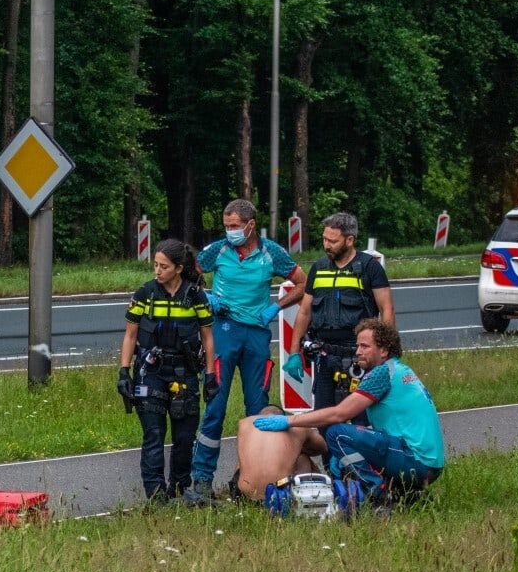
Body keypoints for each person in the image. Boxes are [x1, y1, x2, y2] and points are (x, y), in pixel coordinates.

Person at [185, 199, 307, 505]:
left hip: (257, 336)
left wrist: (276, 307)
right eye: (226, 226)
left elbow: (303, 283)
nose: (230, 232)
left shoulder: (271, 253)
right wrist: (207, 297)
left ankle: (250, 479)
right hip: (224, 332)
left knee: (258, 411)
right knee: (215, 406)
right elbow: (188, 274)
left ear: (251, 224)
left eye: (235, 226)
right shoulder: (219, 250)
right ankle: (201, 479)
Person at [253, 318, 444, 507]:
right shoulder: (399, 370)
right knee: (351, 448)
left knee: (336, 433)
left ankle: (378, 495)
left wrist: (290, 421)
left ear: (384, 351)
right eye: (357, 346)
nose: (358, 351)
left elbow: (340, 414)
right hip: (427, 463)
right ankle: (407, 495)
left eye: (365, 346)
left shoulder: (381, 373)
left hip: (415, 461)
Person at [117, 239, 216, 501]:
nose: (157, 271)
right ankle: (156, 493)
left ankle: (181, 487)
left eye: (163, 266)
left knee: (184, 437)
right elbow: (130, 335)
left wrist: (210, 376)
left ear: (179, 268)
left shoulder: (195, 296)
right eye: (155, 265)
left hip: (185, 374)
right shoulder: (144, 294)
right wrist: (123, 372)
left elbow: (207, 338)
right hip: (151, 373)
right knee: (154, 434)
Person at [284, 212, 394, 410]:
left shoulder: (370, 268)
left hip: (360, 357)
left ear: (350, 240)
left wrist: (387, 353)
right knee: (324, 420)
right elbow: (305, 313)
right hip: (325, 357)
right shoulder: (318, 268)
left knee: (363, 421)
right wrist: (293, 353)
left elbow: (387, 309)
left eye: (332, 241)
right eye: (325, 239)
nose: (326, 245)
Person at [231, 404, 327, 502]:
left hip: (245, 495)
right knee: (303, 458)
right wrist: (298, 447)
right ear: (283, 417)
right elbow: (323, 447)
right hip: (280, 492)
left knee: (244, 460)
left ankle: (236, 492)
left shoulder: (243, 423)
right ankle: (310, 495)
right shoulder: (296, 425)